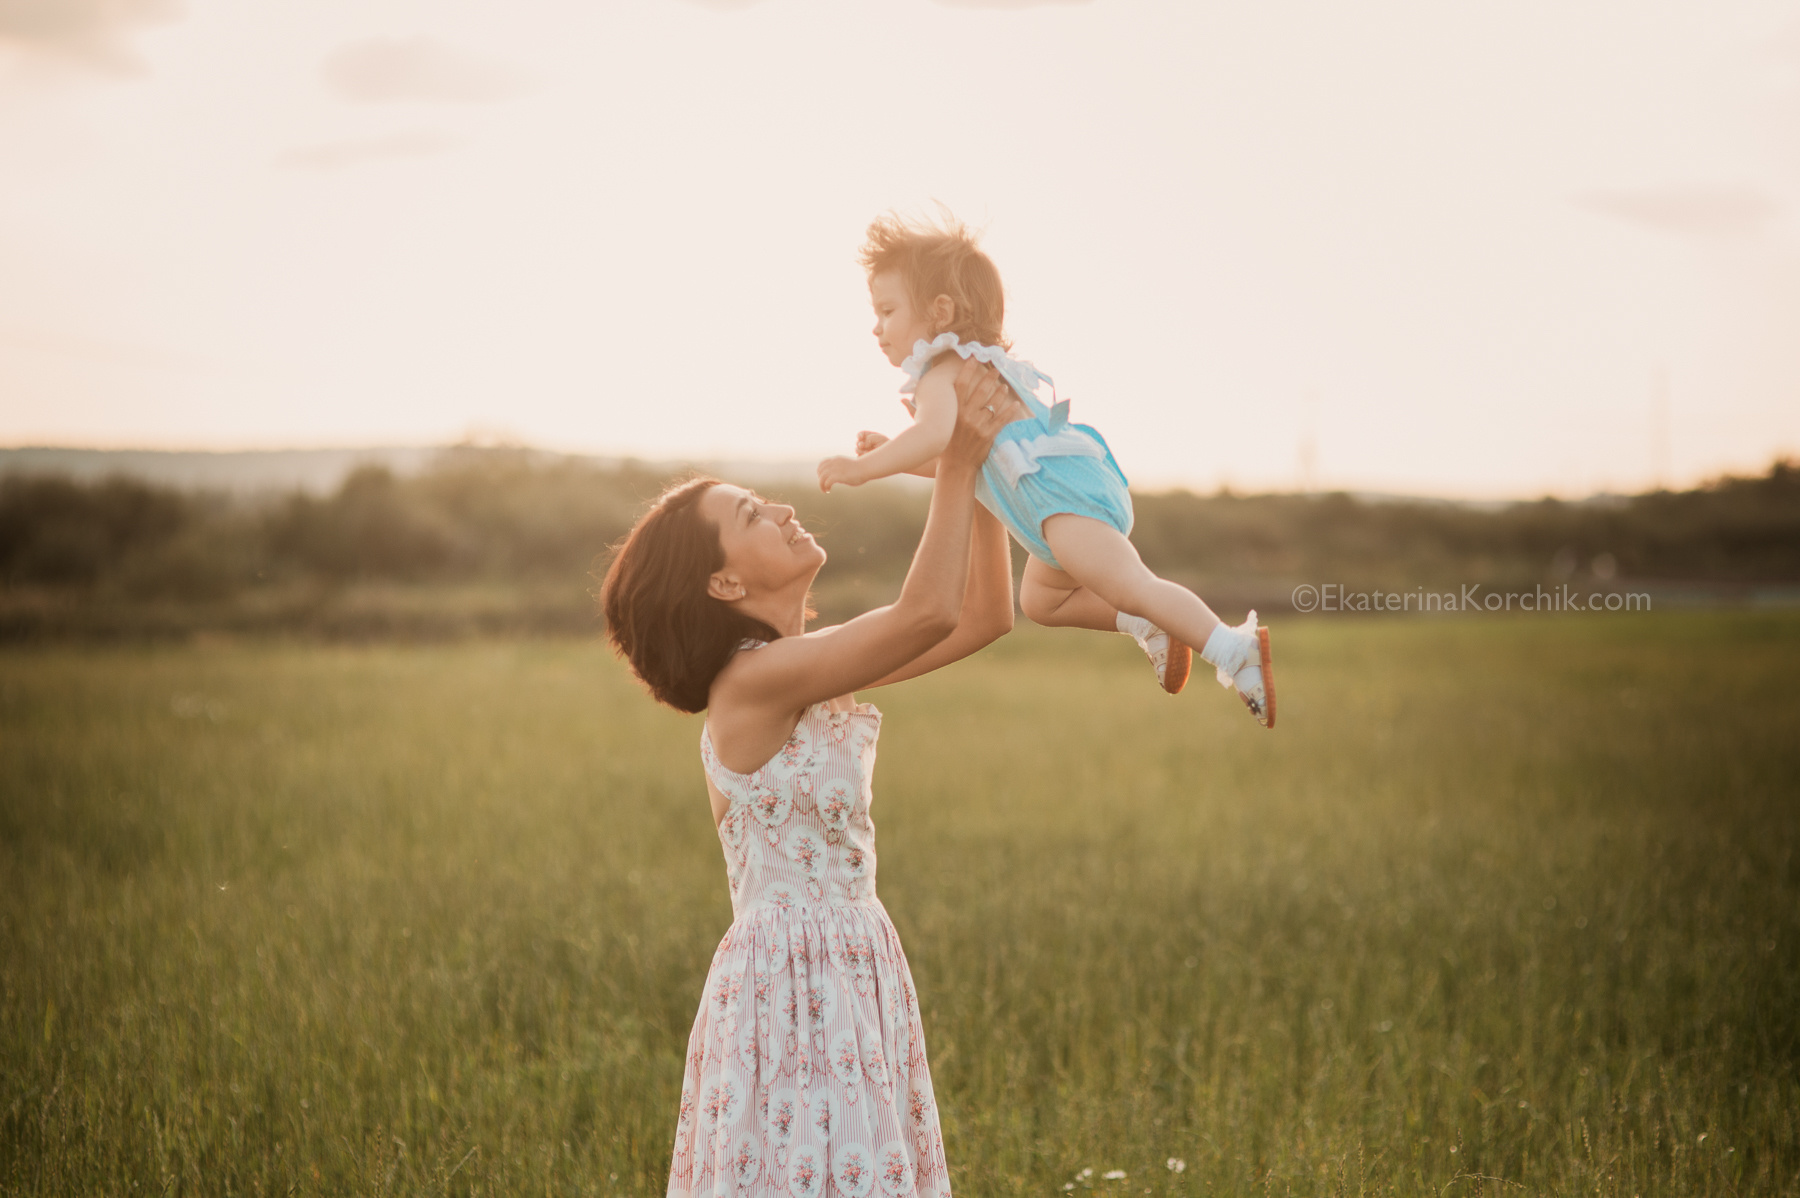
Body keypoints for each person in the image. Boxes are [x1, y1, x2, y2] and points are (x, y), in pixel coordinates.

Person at [601, 359, 1017, 1197]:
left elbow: (983, 614)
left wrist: (978, 484)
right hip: (785, 995)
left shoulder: (808, 668)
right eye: (753, 515)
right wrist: (957, 461)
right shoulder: (752, 683)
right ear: (724, 582)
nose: (785, 509)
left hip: (854, 972)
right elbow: (927, 612)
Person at [817, 212, 1275, 727]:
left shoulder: (939, 374)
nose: (877, 328)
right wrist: (894, 452)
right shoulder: (975, 364)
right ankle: (1151, 625)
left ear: (939, 311)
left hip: (1060, 503)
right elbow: (959, 460)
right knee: (1041, 599)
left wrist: (864, 469)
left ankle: (1233, 649)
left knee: (1133, 583)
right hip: (1068, 492)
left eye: (887, 310)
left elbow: (931, 438)